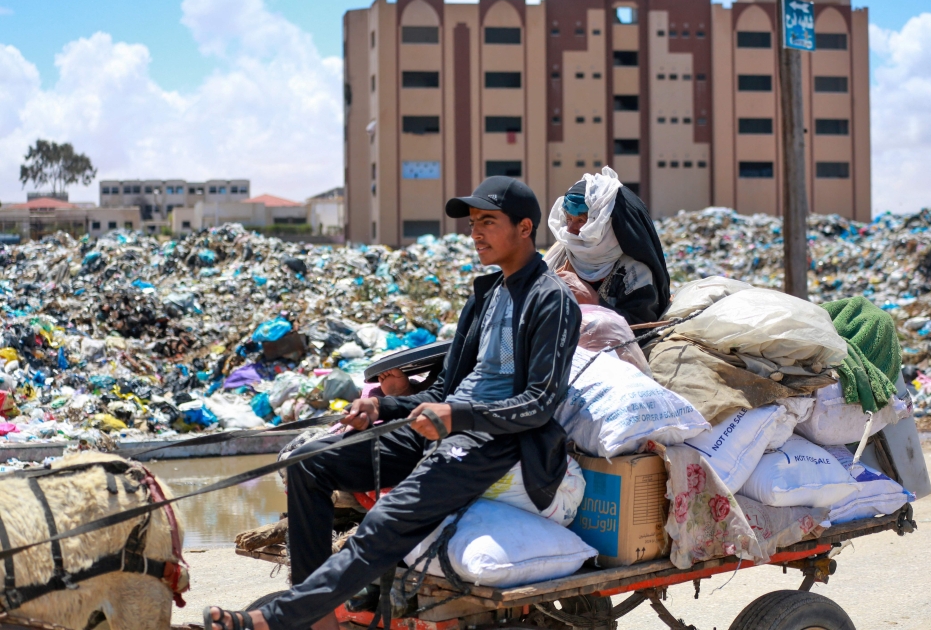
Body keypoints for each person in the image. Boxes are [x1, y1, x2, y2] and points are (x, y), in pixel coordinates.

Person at [205, 176, 582, 630]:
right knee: (310, 461)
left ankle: (276, 619)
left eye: (488, 221)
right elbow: (443, 392)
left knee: (386, 519)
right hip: (448, 426)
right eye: (472, 223)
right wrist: (381, 407)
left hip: (496, 442)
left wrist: (456, 416)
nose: (475, 233)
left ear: (525, 228)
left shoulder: (552, 300)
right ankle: (317, 616)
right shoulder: (486, 297)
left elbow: (538, 404)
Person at [545, 166, 671, 327]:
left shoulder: (634, 272)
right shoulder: (560, 257)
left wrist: (592, 301)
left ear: (607, 224)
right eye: (568, 219)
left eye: (581, 221)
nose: (570, 230)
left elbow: (641, 328)